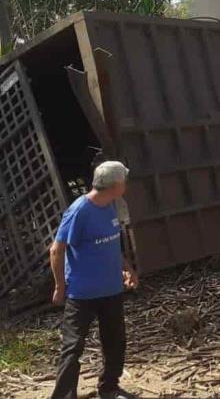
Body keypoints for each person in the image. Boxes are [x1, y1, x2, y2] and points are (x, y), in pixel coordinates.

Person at [49, 161, 139, 399]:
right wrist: (60, 286)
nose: (126, 184)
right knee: (72, 348)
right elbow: (57, 250)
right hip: (82, 294)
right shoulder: (80, 210)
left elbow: (111, 243)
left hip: (111, 290)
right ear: (115, 184)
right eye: (124, 180)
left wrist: (128, 268)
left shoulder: (112, 205)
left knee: (115, 342)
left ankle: (109, 388)